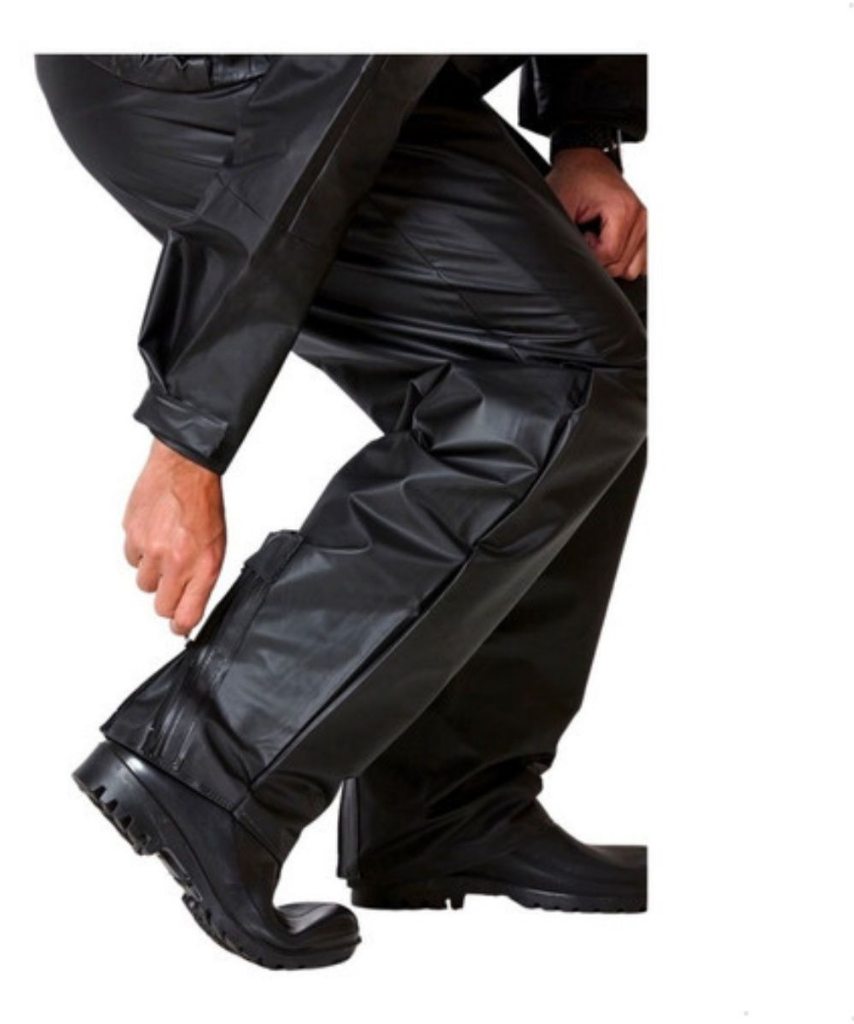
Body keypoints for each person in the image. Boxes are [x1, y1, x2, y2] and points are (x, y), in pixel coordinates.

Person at [35, 53, 648, 970]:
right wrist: (190, 434)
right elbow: (314, 107)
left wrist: (585, 135)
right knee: (559, 371)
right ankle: (212, 759)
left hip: (383, 73)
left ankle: (448, 805)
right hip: (219, 81)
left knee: (600, 340)